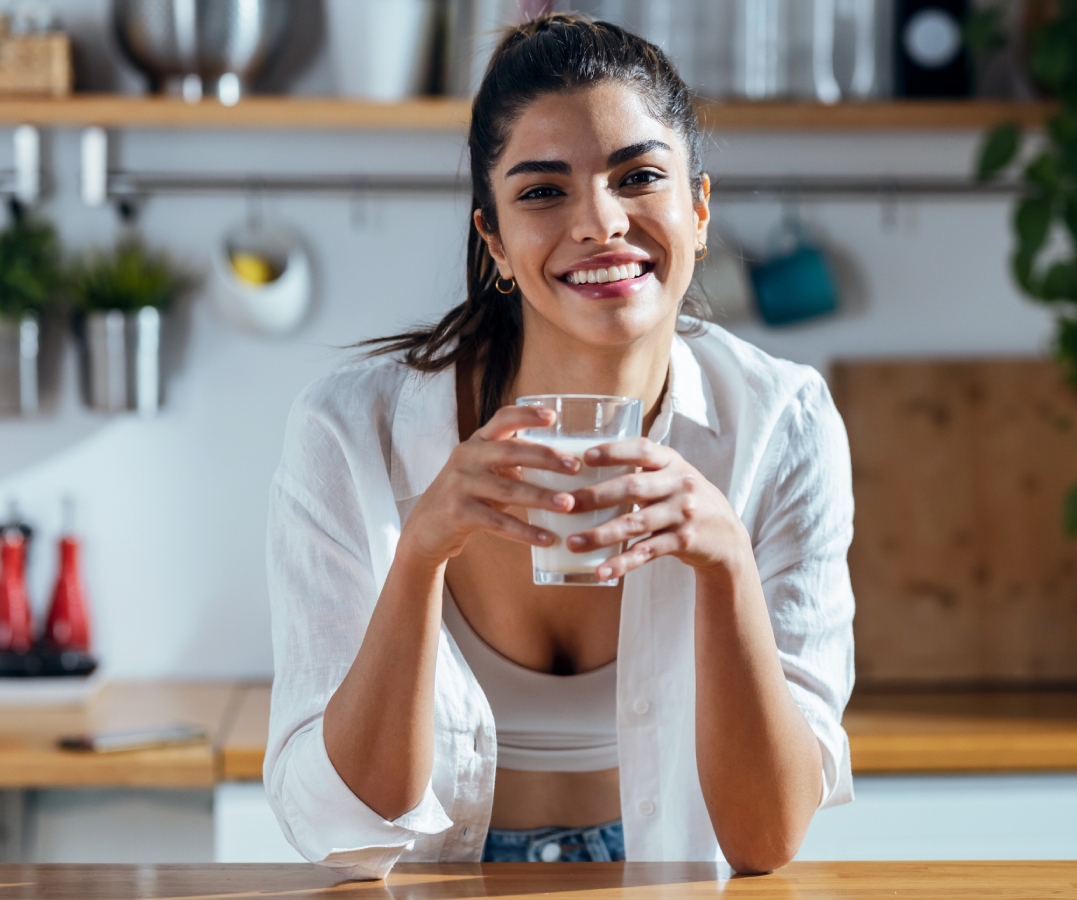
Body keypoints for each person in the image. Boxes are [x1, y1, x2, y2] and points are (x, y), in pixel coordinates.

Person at [265, 13, 855, 879]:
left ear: (697, 210)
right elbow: (349, 822)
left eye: (639, 176)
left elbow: (766, 843)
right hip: (442, 882)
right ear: (495, 240)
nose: (600, 221)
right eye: (543, 191)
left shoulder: (784, 422)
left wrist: (726, 559)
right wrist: (422, 552)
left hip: (664, 875)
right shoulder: (351, 434)